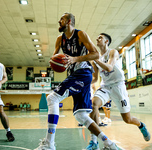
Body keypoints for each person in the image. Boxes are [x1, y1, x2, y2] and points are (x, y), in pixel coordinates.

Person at [34, 12, 109, 150]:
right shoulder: (59, 39)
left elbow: (95, 54)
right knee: (81, 115)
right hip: (75, 74)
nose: (59, 21)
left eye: (61, 19)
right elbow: (54, 57)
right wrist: (56, 62)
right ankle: (109, 143)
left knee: (52, 99)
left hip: (84, 71)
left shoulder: (80, 34)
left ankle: (49, 144)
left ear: (69, 22)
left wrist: (74, 59)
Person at [86, 33, 151, 150]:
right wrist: (84, 82)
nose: (97, 38)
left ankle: (141, 125)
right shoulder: (95, 59)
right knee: (94, 104)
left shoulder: (113, 52)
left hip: (118, 86)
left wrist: (96, 59)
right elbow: (95, 78)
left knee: (127, 119)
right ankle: (94, 141)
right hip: (105, 86)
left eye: (100, 37)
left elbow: (109, 67)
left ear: (106, 42)